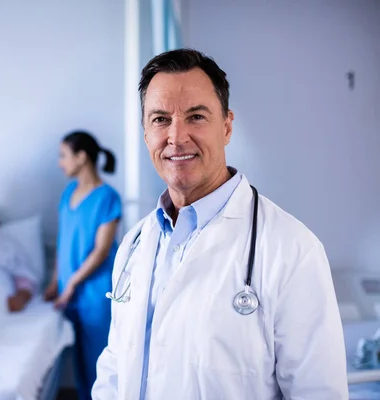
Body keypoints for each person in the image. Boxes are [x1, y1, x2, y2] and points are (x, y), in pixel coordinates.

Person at [92, 49, 348, 399]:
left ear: (226, 126)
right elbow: (114, 366)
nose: (176, 137)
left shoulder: (293, 251)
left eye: (196, 116)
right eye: (160, 119)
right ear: (145, 131)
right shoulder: (135, 244)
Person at [44, 131, 122, 400]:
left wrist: (72, 284)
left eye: (63, 156)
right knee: (79, 365)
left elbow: (100, 252)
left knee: (100, 363)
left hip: (94, 292)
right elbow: (63, 241)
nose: (59, 163)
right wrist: (56, 282)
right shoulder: (68, 193)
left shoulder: (107, 197)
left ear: (82, 157)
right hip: (69, 291)